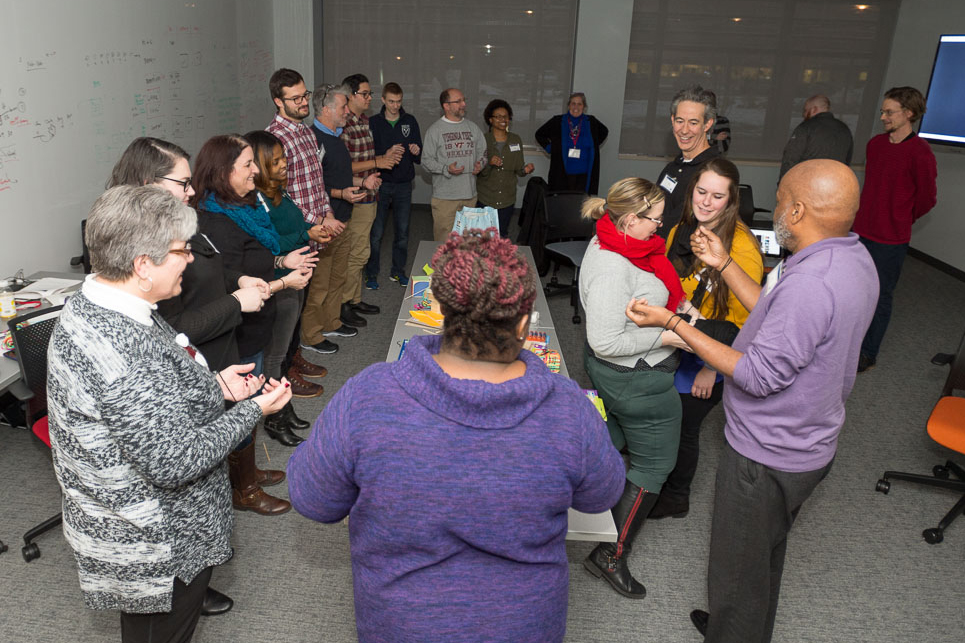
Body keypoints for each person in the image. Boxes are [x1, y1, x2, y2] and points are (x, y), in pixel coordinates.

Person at [287, 229, 624, 643]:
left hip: (402, 625)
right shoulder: (568, 408)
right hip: (523, 625)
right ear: (522, 323)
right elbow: (601, 496)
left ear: (441, 308)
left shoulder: (369, 394)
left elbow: (313, 498)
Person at [626, 159, 878, 643]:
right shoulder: (847, 257)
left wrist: (674, 324)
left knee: (737, 570)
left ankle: (734, 628)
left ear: (799, 209)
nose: (775, 206)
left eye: (782, 198)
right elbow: (773, 307)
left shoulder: (811, 283)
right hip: (808, 440)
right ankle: (739, 622)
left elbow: (760, 374)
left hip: (767, 455)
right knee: (761, 560)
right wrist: (723, 263)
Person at [47, 185, 291, 643]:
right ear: (143, 265)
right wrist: (253, 409)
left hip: (145, 524)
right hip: (156, 541)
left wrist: (215, 388)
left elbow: (151, 403)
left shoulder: (104, 303)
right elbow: (175, 460)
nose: (191, 259)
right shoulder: (122, 354)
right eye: (181, 250)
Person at [107, 137, 275, 618]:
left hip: (212, 360)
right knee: (181, 485)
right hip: (190, 361)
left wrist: (233, 283)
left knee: (205, 481)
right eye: (180, 183)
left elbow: (204, 279)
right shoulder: (138, 247)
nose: (189, 191)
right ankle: (184, 587)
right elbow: (172, 329)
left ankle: (196, 577)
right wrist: (234, 303)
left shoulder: (178, 224)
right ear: (145, 184)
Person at [578, 178, 686, 599]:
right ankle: (609, 555)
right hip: (635, 378)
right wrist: (669, 333)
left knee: (613, 438)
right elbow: (605, 341)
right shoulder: (613, 265)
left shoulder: (618, 241)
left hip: (619, 378)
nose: (659, 228)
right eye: (653, 220)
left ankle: (575, 503)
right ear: (628, 218)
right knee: (655, 465)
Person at [191, 134, 318, 455]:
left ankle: (258, 454)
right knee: (242, 404)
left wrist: (281, 261)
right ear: (223, 172)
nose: (255, 172)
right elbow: (229, 284)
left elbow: (253, 257)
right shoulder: (215, 221)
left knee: (266, 374)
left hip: (261, 314)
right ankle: (245, 482)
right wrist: (284, 283)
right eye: (247, 165)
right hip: (241, 326)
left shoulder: (245, 206)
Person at [652, 158, 763, 519]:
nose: (706, 202)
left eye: (718, 196)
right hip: (681, 339)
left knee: (685, 426)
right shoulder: (681, 231)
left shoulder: (740, 249)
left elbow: (747, 324)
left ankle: (676, 497)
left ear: (730, 202)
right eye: (701, 192)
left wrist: (712, 371)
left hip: (712, 354)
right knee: (666, 418)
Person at [852, 86, 937, 372]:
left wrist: (900, 217)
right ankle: (845, 344)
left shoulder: (920, 152)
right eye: (883, 111)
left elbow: (926, 199)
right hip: (861, 231)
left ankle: (868, 353)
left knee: (880, 295)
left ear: (909, 113)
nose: (883, 117)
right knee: (854, 290)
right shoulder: (875, 145)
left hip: (891, 239)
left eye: (889, 112)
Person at [245, 129, 332, 405]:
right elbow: (268, 243)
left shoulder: (278, 190)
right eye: (277, 161)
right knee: (274, 353)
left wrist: (311, 229)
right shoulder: (256, 201)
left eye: (284, 158)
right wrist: (306, 235)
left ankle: (284, 394)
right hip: (278, 280)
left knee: (286, 344)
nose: (284, 164)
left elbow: (294, 225)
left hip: (295, 276)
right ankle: (276, 412)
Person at [266, 68, 347, 357]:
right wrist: (317, 220)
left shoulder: (306, 132)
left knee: (307, 296)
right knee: (289, 306)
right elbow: (281, 195)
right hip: (293, 232)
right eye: (296, 98)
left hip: (317, 226)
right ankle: (288, 365)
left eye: (305, 95)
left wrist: (327, 213)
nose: (303, 102)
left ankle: (296, 359)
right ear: (279, 101)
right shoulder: (274, 140)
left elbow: (317, 181)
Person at [310, 82, 381, 332]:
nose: (346, 111)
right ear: (326, 110)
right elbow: (311, 187)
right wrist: (341, 193)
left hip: (343, 217)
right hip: (324, 222)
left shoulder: (335, 138)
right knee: (321, 282)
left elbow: (338, 176)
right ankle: (314, 335)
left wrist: (362, 181)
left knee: (337, 277)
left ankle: (332, 322)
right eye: (342, 106)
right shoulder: (314, 141)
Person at [338, 73, 392, 319]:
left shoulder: (363, 120)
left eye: (371, 93)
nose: (370, 97)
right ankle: (344, 304)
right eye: (365, 93)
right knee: (356, 252)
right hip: (355, 197)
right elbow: (343, 166)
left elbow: (365, 160)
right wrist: (377, 161)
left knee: (363, 251)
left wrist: (382, 158)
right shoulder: (344, 123)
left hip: (370, 195)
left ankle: (355, 298)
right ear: (350, 95)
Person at [366, 81, 422, 289]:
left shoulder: (410, 121)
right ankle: (371, 274)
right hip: (380, 183)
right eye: (391, 101)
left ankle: (398, 272)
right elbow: (368, 154)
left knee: (403, 232)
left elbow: (418, 153)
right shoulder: (373, 122)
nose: (395, 106)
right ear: (383, 100)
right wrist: (385, 153)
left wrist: (416, 151)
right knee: (376, 233)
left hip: (404, 184)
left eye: (398, 102)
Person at [421, 87, 487, 242]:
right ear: (446, 106)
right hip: (445, 199)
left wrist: (480, 164)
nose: (463, 104)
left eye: (464, 100)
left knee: (467, 243)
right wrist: (446, 169)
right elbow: (426, 161)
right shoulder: (435, 130)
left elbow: (483, 152)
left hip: (469, 196)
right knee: (444, 244)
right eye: (458, 101)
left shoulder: (473, 128)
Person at [655, 85, 720, 237]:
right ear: (672, 120)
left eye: (693, 123)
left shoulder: (713, 172)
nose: (684, 130)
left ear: (707, 124)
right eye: (679, 121)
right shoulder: (673, 167)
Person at [476, 99, 535, 237]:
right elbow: (479, 172)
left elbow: (519, 169)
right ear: (490, 120)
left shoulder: (515, 140)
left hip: (507, 199)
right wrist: (489, 163)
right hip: (486, 198)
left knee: (501, 234)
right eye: (498, 116)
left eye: (506, 116)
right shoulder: (483, 140)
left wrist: (525, 170)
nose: (503, 119)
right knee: (483, 236)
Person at [535, 92, 608, 194]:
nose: (576, 107)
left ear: (584, 107)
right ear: (568, 105)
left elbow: (605, 132)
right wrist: (551, 148)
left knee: (581, 204)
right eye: (573, 103)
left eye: (579, 104)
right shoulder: (557, 121)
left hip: (584, 174)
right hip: (562, 173)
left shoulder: (591, 122)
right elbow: (539, 134)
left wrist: (594, 146)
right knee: (562, 202)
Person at [778, 94, 854, 181]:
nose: (804, 114)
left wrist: (783, 183)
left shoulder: (805, 127)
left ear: (814, 109)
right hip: (834, 185)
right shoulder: (845, 129)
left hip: (806, 184)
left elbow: (790, 158)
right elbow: (847, 160)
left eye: (806, 110)